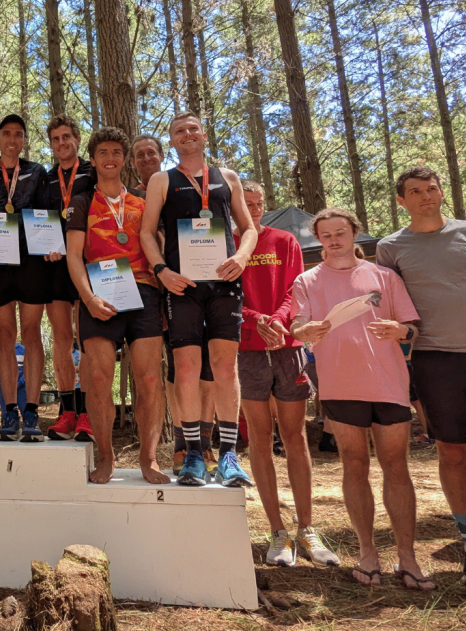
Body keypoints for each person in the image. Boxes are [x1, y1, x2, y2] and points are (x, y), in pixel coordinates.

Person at [291, 207, 433, 590]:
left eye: (340, 232)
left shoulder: (384, 276)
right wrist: (306, 330)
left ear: (354, 233)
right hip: (339, 386)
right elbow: (297, 326)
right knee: (354, 465)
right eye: (326, 235)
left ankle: (408, 556)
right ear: (318, 240)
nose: (334, 240)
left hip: (388, 384)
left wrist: (400, 329)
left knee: (396, 466)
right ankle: (367, 551)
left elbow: (412, 329)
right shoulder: (306, 280)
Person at [376, 166, 466, 588]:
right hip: (435, 360)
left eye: (432, 188)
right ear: (402, 200)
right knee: (452, 452)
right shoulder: (391, 248)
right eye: (416, 191)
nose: (427, 195)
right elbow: (393, 306)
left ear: (441, 191)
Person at [140, 111, 257, 487]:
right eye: (179, 131)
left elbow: (249, 228)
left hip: (223, 284)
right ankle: (192, 452)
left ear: (203, 135)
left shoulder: (228, 178)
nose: (187, 135)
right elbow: (146, 233)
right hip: (183, 287)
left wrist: (241, 257)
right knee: (186, 370)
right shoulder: (162, 180)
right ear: (172, 141)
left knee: (225, 368)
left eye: (192, 129)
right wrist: (161, 271)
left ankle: (227, 455)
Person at [234, 181, 338, 567]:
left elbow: (296, 290)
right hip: (247, 350)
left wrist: (276, 321)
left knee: (294, 437)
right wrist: (256, 319)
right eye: (247, 204)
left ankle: (307, 529)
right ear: (234, 207)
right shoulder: (225, 243)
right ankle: (277, 533)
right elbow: (223, 296)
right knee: (260, 438)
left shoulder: (284, 240)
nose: (255, 209)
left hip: (288, 346)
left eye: (260, 203)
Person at [66, 127, 168, 484]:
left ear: (124, 159)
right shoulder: (81, 203)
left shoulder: (143, 200)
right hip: (100, 296)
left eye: (116, 152)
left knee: (150, 379)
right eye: (103, 152)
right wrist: (88, 298)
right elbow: (73, 257)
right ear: (92, 160)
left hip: (144, 293)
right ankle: (105, 457)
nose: (110, 158)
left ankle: (149, 457)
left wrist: (165, 303)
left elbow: (159, 249)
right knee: (97, 378)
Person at [0, 114, 50, 442]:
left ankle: (31, 411)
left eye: (18, 134)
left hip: (31, 261)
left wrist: (51, 243)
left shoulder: (37, 171)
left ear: (24, 139)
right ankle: (9, 412)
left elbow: (45, 213)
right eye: (6, 134)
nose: (12, 139)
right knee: (4, 333)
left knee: (30, 333)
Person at [40, 116, 95, 442]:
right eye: (55, 139)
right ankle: (66, 411)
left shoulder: (92, 171)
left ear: (76, 138)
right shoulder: (46, 179)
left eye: (66, 137)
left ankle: (87, 412)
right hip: (54, 264)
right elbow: (39, 221)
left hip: (88, 262)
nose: (61, 143)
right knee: (61, 337)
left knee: (86, 337)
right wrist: (46, 246)